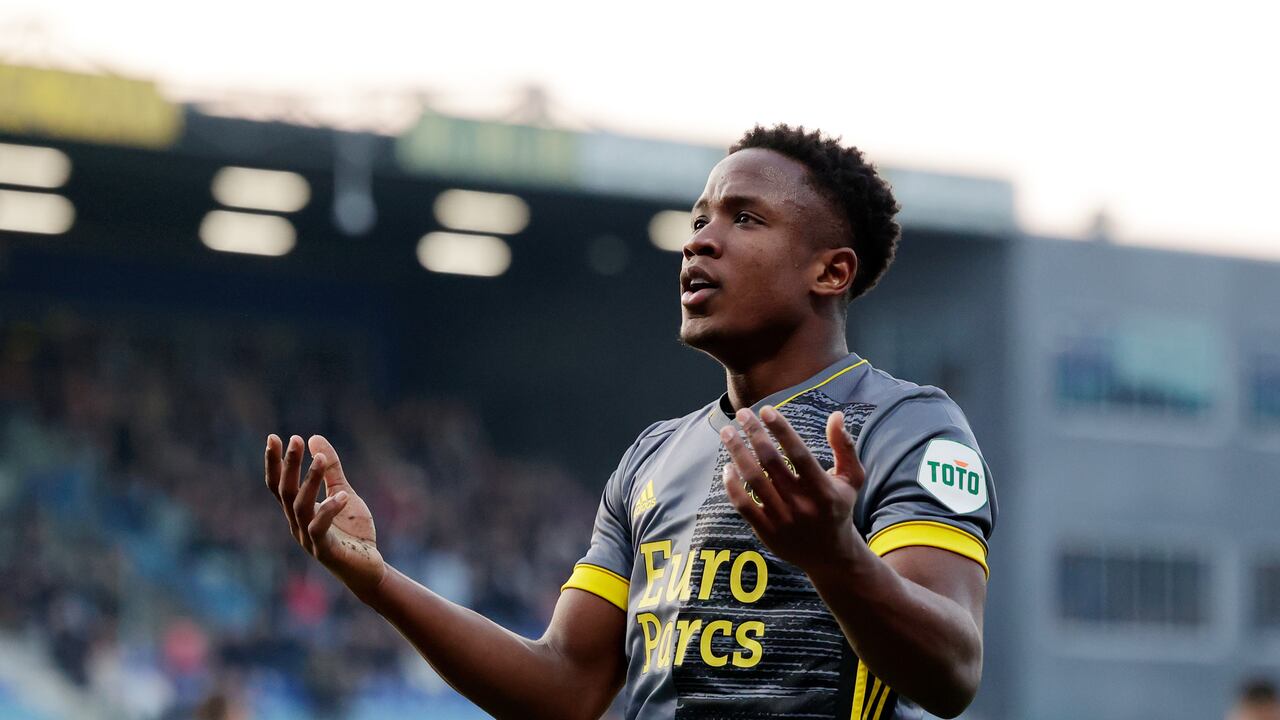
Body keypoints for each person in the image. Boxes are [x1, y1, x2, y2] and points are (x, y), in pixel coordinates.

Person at [264, 124, 996, 720]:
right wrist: (376, 581)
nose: (699, 242)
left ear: (831, 272)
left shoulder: (906, 426)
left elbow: (952, 672)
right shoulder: (653, 457)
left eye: (745, 218)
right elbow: (564, 686)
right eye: (699, 219)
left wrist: (836, 557)